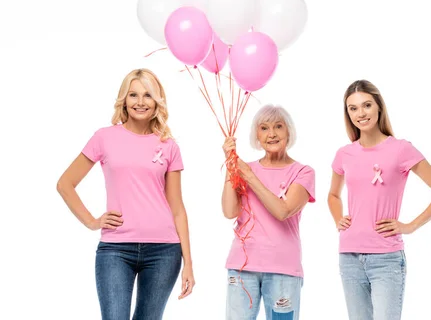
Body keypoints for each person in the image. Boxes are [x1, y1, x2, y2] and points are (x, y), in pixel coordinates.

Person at [56, 68, 195, 319]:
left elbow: (177, 208)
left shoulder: (169, 145)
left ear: (157, 101)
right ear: (124, 99)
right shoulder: (104, 137)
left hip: (164, 251)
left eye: (148, 95)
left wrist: (189, 264)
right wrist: (92, 221)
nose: (140, 102)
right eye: (133, 95)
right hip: (115, 249)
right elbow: (65, 184)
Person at [328, 79, 431, 320]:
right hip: (349, 257)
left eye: (366, 105)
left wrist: (410, 226)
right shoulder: (344, 153)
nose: (360, 113)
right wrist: (338, 219)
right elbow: (333, 195)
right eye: (353, 108)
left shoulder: (400, 149)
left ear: (378, 107)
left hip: (386, 258)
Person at [222, 104, 315, 320]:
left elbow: (283, 211)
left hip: (283, 268)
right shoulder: (245, 168)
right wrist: (230, 167)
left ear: (288, 131)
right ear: (257, 135)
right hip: (241, 267)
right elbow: (229, 211)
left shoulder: (303, 172)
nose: (271, 134)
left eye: (278, 127)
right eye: (264, 128)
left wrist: (248, 175)